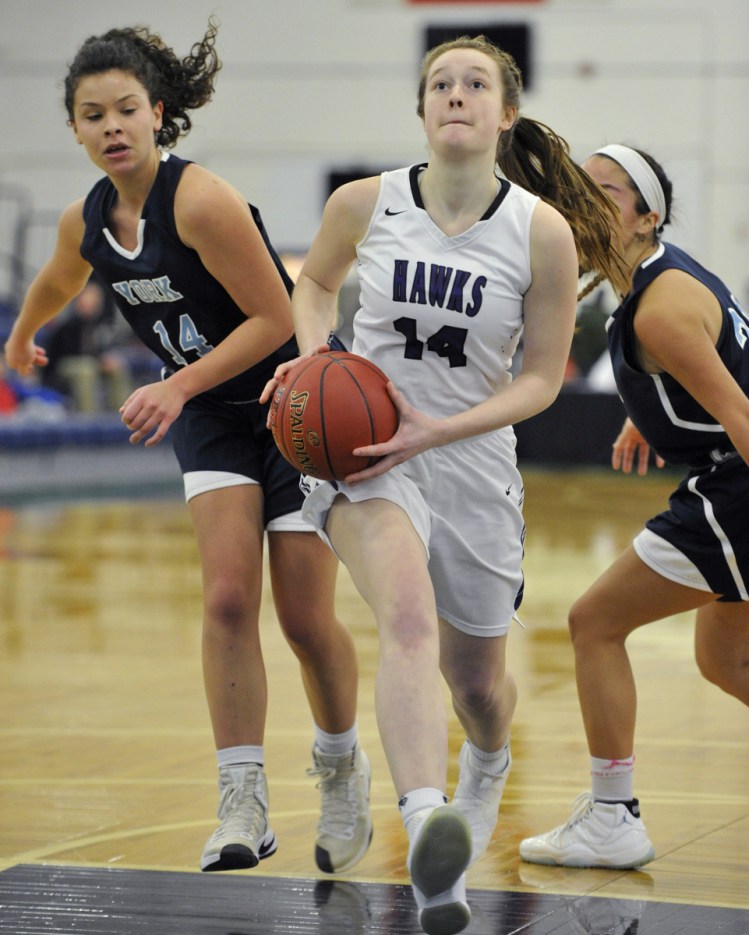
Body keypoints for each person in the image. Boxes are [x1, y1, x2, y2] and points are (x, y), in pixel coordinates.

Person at [261, 35, 628, 935]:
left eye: (474, 85)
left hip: (472, 461)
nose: (454, 95)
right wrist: (318, 359)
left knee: (476, 684)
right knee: (407, 622)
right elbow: (310, 286)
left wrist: (442, 426)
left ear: (505, 114)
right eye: (438, 84)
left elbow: (540, 379)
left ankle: (487, 762)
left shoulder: (539, 230)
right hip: (368, 457)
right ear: (421, 110)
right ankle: (430, 833)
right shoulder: (365, 201)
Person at [3, 19, 372, 876]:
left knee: (306, 618)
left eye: (126, 109)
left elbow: (276, 320)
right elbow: (62, 275)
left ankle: (341, 770)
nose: (111, 127)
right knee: (225, 600)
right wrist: (23, 335)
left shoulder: (198, 199)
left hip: (289, 409)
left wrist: (174, 383)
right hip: (211, 414)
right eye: (92, 115)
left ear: (158, 112)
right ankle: (242, 798)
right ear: (74, 127)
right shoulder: (86, 219)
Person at [519, 144, 749, 869]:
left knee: (592, 621)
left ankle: (612, 816)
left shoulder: (660, 310)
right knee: (724, 658)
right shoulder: (656, 281)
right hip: (727, 479)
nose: (584, 200)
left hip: (734, 489)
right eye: (578, 189)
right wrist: (646, 410)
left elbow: (740, 414)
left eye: (606, 191)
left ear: (646, 216)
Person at [40, 277, 133, 412]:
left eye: (96, 299)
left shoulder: (98, 323)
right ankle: (89, 416)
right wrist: (98, 361)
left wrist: (105, 360)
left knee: (116, 366)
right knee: (86, 369)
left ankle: (123, 413)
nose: (94, 302)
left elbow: (99, 348)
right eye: (89, 298)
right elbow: (70, 353)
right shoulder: (68, 324)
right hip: (59, 368)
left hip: (90, 363)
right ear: (80, 300)